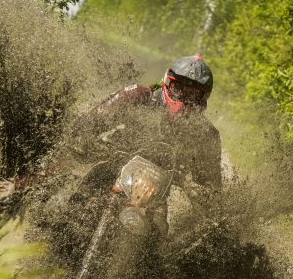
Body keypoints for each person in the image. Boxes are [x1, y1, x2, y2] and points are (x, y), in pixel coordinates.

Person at [95, 55, 222, 189]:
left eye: (192, 95)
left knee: (160, 209)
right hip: (114, 166)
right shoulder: (137, 96)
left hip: (160, 191)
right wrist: (82, 141)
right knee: (90, 183)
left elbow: (211, 192)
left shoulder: (207, 135)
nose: (183, 100)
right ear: (167, 84)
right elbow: (91, 121)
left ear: (202, 100)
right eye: (178, 89)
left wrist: (194, 192)